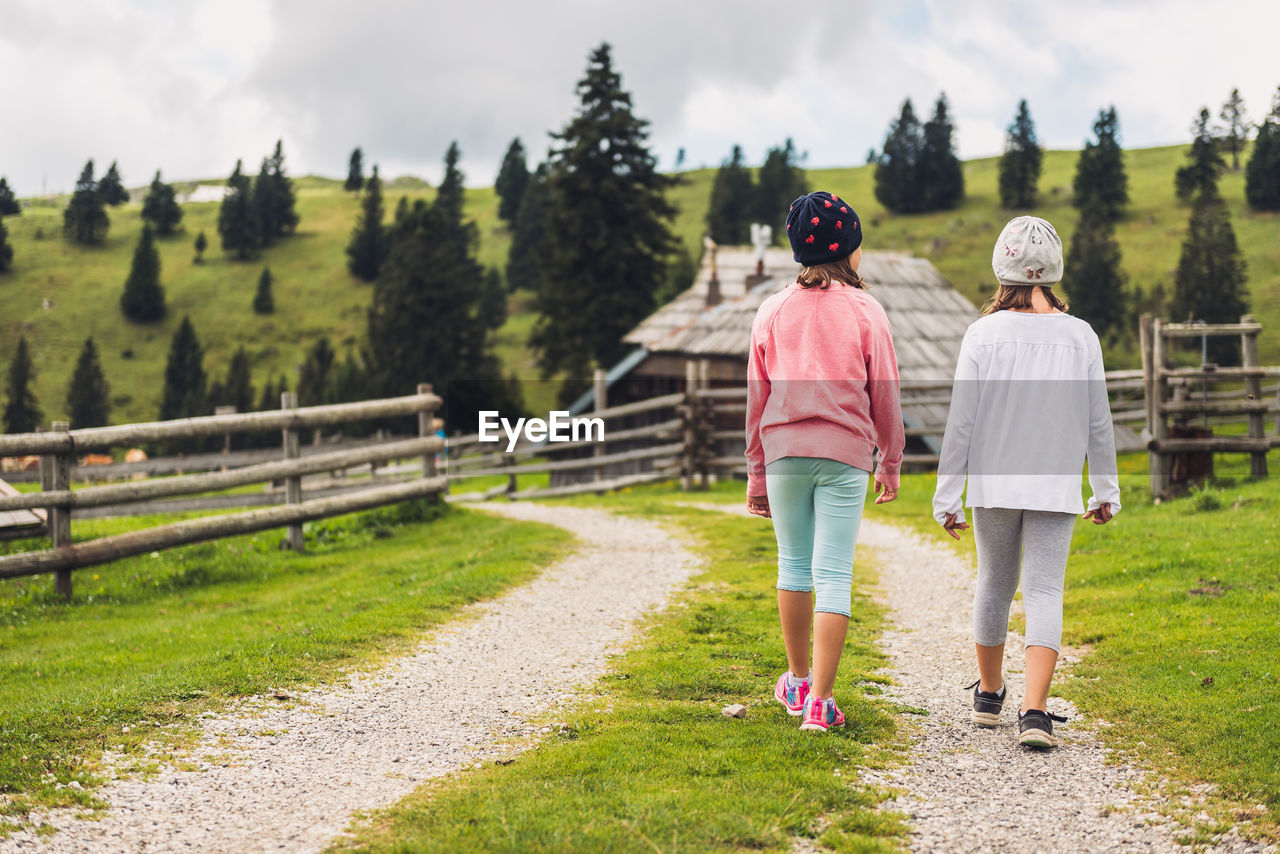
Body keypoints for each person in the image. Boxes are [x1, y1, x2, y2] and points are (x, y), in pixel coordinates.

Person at [932, 215, 1121, 749]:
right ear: (1053, 271)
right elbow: (1098, 420)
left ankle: (990, 695)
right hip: (1055, 486)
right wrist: (1105, 490)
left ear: (1002, 267)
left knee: (994, 582)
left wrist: (948, 497)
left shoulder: (982, 335)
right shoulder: (1080, 336)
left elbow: (961, 422)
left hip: (993, 485)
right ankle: (1035, 713)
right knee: (1043, 589)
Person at [745, 191, 905, 733]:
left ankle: (793, 681)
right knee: (833, 571)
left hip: (784, 452)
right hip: (846, 454)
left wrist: (755, 471)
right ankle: (821, 699)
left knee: (793, 565)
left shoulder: (772, 310)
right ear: (850, 249)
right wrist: (891, 460)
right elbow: (884, 392)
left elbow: (756, 397)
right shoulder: (867, 310)